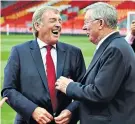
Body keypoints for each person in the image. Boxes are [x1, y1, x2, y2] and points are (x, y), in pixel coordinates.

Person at [1, 6, 86, 124]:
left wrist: (71, 111)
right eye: (53, 20)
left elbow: (84, 90)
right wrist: (33, 110)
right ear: (37, 25)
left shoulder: (74, 53)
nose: (58, 25)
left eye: (59, 21)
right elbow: (8, 89)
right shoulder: (19, 52)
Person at [55, 2, 135, 124]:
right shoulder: (114, 46)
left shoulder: (115, 49)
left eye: (87, 22)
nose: (83, 27)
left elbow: (100, 93)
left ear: (101, 23)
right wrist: (73, 111)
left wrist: (69, 86)